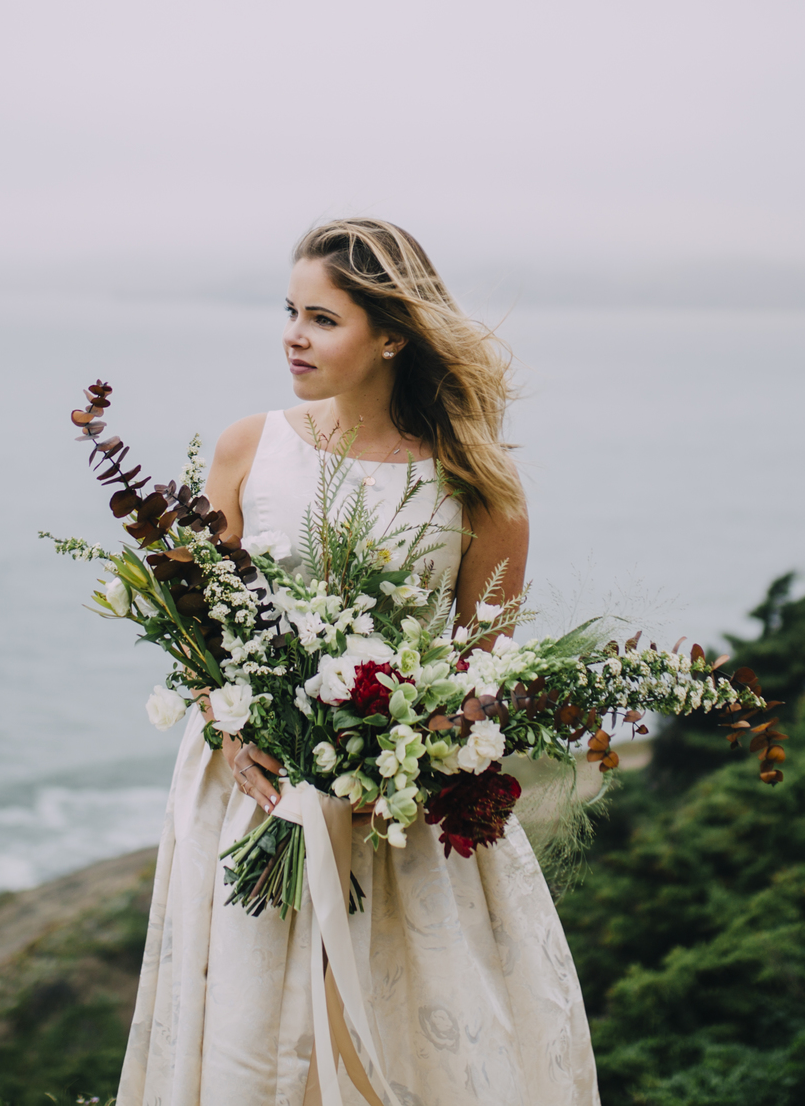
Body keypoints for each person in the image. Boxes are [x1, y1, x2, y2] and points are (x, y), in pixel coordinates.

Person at [119, 219, 600, 1106]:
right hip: (253, 795)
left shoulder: (476, 485)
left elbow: (478, 675)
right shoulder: (247, 447)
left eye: (322, 318)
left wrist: (406, 753)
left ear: (391, 335)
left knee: (408, 1045)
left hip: (397, 818)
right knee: (253, 1041)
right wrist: (230, 727)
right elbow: (199, 626)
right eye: (290, 311)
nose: (293, 336)